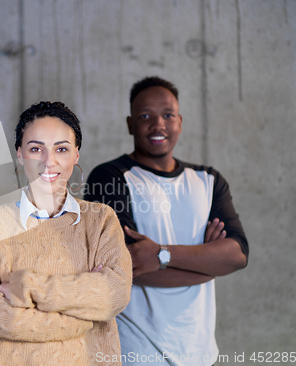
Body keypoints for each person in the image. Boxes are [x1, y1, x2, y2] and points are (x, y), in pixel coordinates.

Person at [85, 76, 249, 366]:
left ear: (180, 121)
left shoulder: (209, 180)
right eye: (145, 116)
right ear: (130, 124)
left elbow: (237, 255)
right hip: (135, 353)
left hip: (200, 352)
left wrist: (160, 255)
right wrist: (208, 266)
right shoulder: (110, 178)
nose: (158, 124)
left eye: (168, 115)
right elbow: (121, 268)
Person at [0, 101, 133, 366]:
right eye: (35, 149)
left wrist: (24, 287)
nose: (48, 161)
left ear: (76, 155)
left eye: (61, 149)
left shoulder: (101, 220)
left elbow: (114, 294)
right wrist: (80, 315)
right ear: (19, 154)